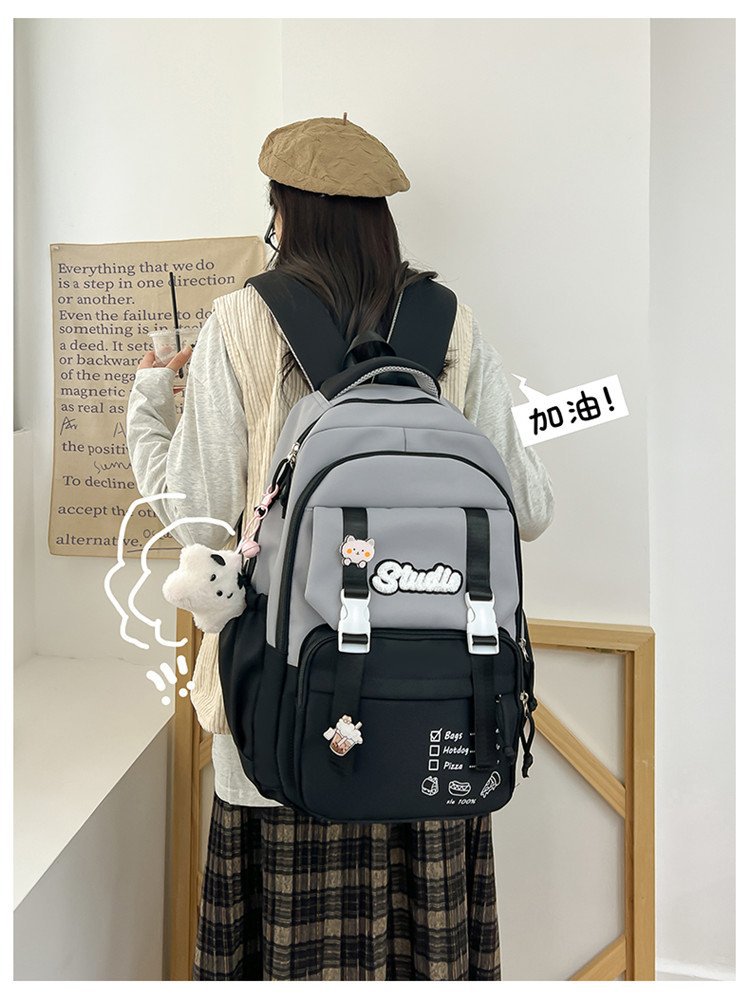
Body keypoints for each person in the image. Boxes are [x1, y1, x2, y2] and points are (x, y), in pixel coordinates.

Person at [126, 115, 554, 981]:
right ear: (379, 219)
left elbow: (197, 520)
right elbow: (531, 507)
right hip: (438, 714)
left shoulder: (240, 321)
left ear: (284, 212)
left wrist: (149, 404)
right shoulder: (452, 324)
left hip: (281, 712)